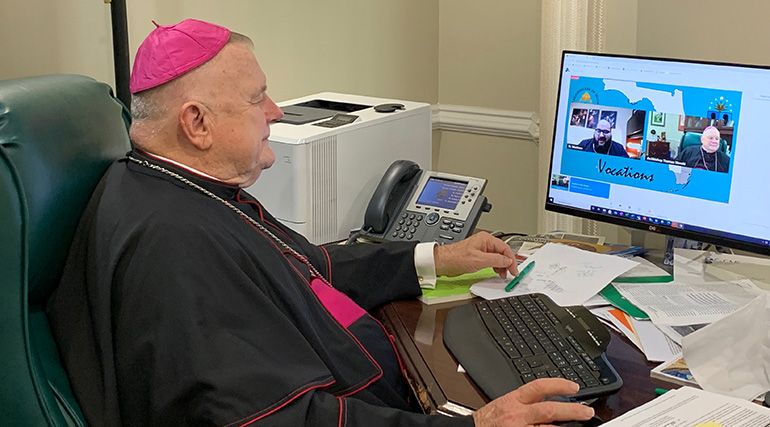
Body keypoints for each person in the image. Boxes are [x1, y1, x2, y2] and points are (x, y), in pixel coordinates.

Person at [47, 19, 595, 426]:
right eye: (257, 98)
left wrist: (433, 256)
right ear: (197, 123)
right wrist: (474, 425)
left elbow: (307, 266)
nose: (277, 112)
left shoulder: (178, 187)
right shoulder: (173, 240)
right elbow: (269, 419)